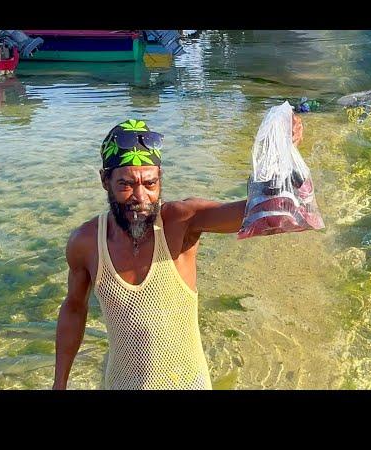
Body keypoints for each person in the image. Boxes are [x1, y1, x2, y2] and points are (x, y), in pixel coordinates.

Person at [52, 115, 304, 390]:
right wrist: (59, 383)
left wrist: (282, 152)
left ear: (160, 180)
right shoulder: (86, 242)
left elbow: (262, 212)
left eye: (150, 184)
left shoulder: (181, 223)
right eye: (125, 184)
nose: (140, 197)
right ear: (105, 181)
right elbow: (74, 309)